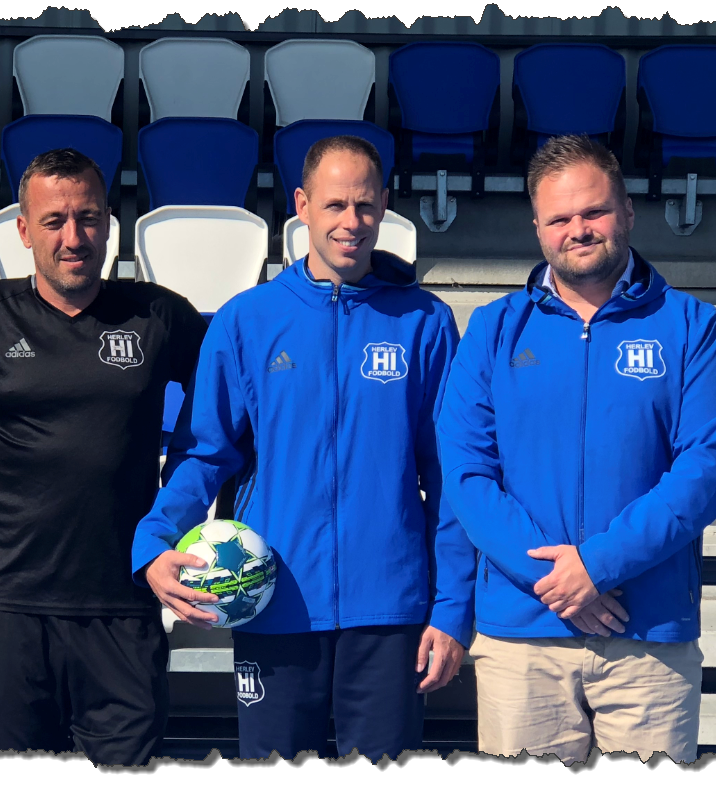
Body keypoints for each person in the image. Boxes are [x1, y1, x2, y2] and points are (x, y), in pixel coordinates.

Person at [133, 136, 475, 761]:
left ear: (385, 206)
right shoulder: (247, 320)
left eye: (365, 205)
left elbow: (449, 475)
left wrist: (451, 608)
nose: (352, 222)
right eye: (336, 204)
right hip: (272, 602)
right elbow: (204, 454)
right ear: (302, 206)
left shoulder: (424, 322)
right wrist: (155, 541)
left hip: (390, 610)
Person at [0, 148, 208, 766]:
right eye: (54, 221)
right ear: (23, 230)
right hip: (8, 607)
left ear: (109, 223)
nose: (73, 237)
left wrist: (178, 509)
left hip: (123, 605)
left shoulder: (159, 315)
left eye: (87, 218)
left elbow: (223, 414)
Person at [435, 134, 716, 764]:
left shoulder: (691, 327)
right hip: (523, 640)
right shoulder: (493, 330)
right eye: (559, 218)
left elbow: (705, 474)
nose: (578, 230)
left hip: (647, 637)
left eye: (594, 211)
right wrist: (559, 582)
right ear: (538, 228)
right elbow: (468, 475)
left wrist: (598, 566)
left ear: (627, 210)